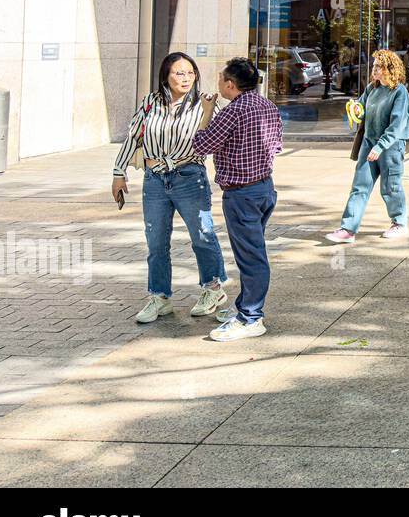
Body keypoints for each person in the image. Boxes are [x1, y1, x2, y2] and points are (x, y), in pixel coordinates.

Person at [112, 52, 231, 325]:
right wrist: (119, 172)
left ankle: (213, 290)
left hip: (190, 177)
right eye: (179, 73)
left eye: (190, 72)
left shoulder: (206, 105)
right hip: (154, 179)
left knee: (202, 235)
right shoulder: (151, 103)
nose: (186, 78)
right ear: (165, 75)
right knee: (156, 242)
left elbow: (221, 136)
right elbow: (133, 137)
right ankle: (160, 297)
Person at [193, 58, 283, 341]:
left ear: (230, 85)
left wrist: (206, 113)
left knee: (251, 258)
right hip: (265, 189)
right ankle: (246, 307)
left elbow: (201, 145)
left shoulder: (232, 112)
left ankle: (251, 317)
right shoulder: (268, 105)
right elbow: (277, 145)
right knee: (253, 252)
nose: (218, 84)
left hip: (241, 194)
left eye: (221, 79)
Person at [326, 49, 409, 243]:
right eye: (374, 66)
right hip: (369, 142)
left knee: (391, 186)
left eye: (378, 66)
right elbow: (362, 107)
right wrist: (356, 107)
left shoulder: (399, 92)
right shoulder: (372, 89)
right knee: (360, 186)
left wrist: (380, 146)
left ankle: (399, 222)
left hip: (390, 147)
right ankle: (348, 229)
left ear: (389, 69)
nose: (373, 69)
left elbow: (397, 125)